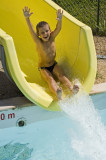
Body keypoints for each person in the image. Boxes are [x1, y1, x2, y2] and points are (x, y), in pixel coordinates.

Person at [23, 6, 79, 100]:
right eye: (42, 32)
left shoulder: (52, 37)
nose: (45, 34)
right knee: (50, 79)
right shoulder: (38, 42)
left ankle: (71, 89)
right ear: (39, 35)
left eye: (47, 31)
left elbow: (58, 28)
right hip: (43, 68)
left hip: (54, 64)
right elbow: (31, 31)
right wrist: (27, 18)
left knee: (62, 75)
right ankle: (57, 93)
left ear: (50, 30)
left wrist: (60, 19)